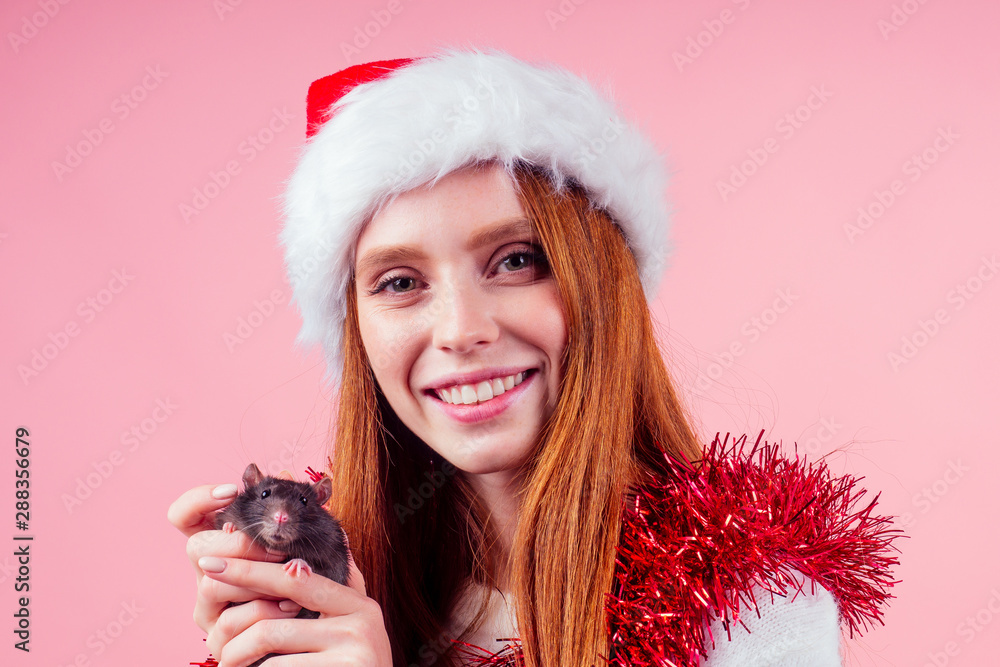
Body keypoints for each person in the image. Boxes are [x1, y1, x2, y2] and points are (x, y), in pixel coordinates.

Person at [169, 48, 899, 667]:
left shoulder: (752, 603)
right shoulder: (334, 582)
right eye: (399, 281)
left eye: (516, 259)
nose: (460, 329)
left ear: (601, 285)